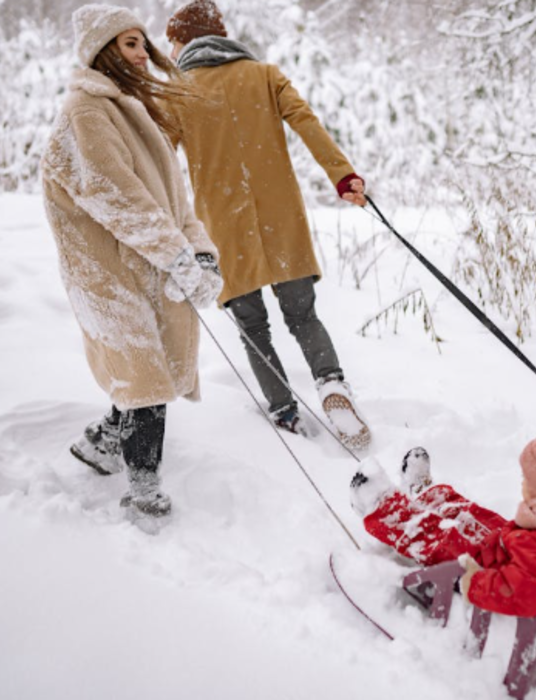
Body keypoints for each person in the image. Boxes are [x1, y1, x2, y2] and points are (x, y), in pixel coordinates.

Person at [41, 4, 223, 518]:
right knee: (146, 377)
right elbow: (119, 199)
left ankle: (100, 444)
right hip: (106, 271)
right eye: (129, 44)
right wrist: (177, 258)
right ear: (102, 51)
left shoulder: (132, 109)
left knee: (149, 367)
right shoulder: (87, 112)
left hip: (144, 261)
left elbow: (174, 201)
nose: (143, 54)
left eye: (143, 43)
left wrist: (201, 254)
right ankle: (145, 493)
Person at [164, 0, 370, 448]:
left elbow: (159, 159)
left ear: (184, 41)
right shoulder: (265, 75)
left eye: (172, 42)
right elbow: (307, 123)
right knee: (303, 314)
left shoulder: (178, 91)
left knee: (253, 329)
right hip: (281, 221)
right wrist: (344, 176)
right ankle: (331, 382)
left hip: (225, 230)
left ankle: (285, 412)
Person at [350, 406, 536, 618]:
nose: (523, 485)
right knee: (471, 514)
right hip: (510, 548)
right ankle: (425, 497)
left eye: (530, 484)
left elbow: (523, 593)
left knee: (437, 538)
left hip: (491, 570)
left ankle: (386, 509)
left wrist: (474, 583)